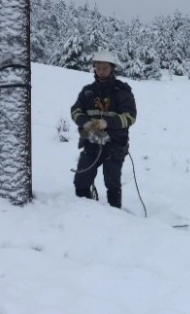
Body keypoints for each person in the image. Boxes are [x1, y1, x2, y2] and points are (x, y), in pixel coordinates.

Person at [71, 50, 137, 209]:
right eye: (98, 68)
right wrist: (85, 123)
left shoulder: (122, 92)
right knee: (81, 179)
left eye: (105, 68)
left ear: (112, 69)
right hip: (91, 142)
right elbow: (76, 110)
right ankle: (85, 211)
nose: (101, 71)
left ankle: (115, 215)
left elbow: (130, 116)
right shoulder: (87, 91)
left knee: (112, 183)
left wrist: (107, 123)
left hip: (115, 145)